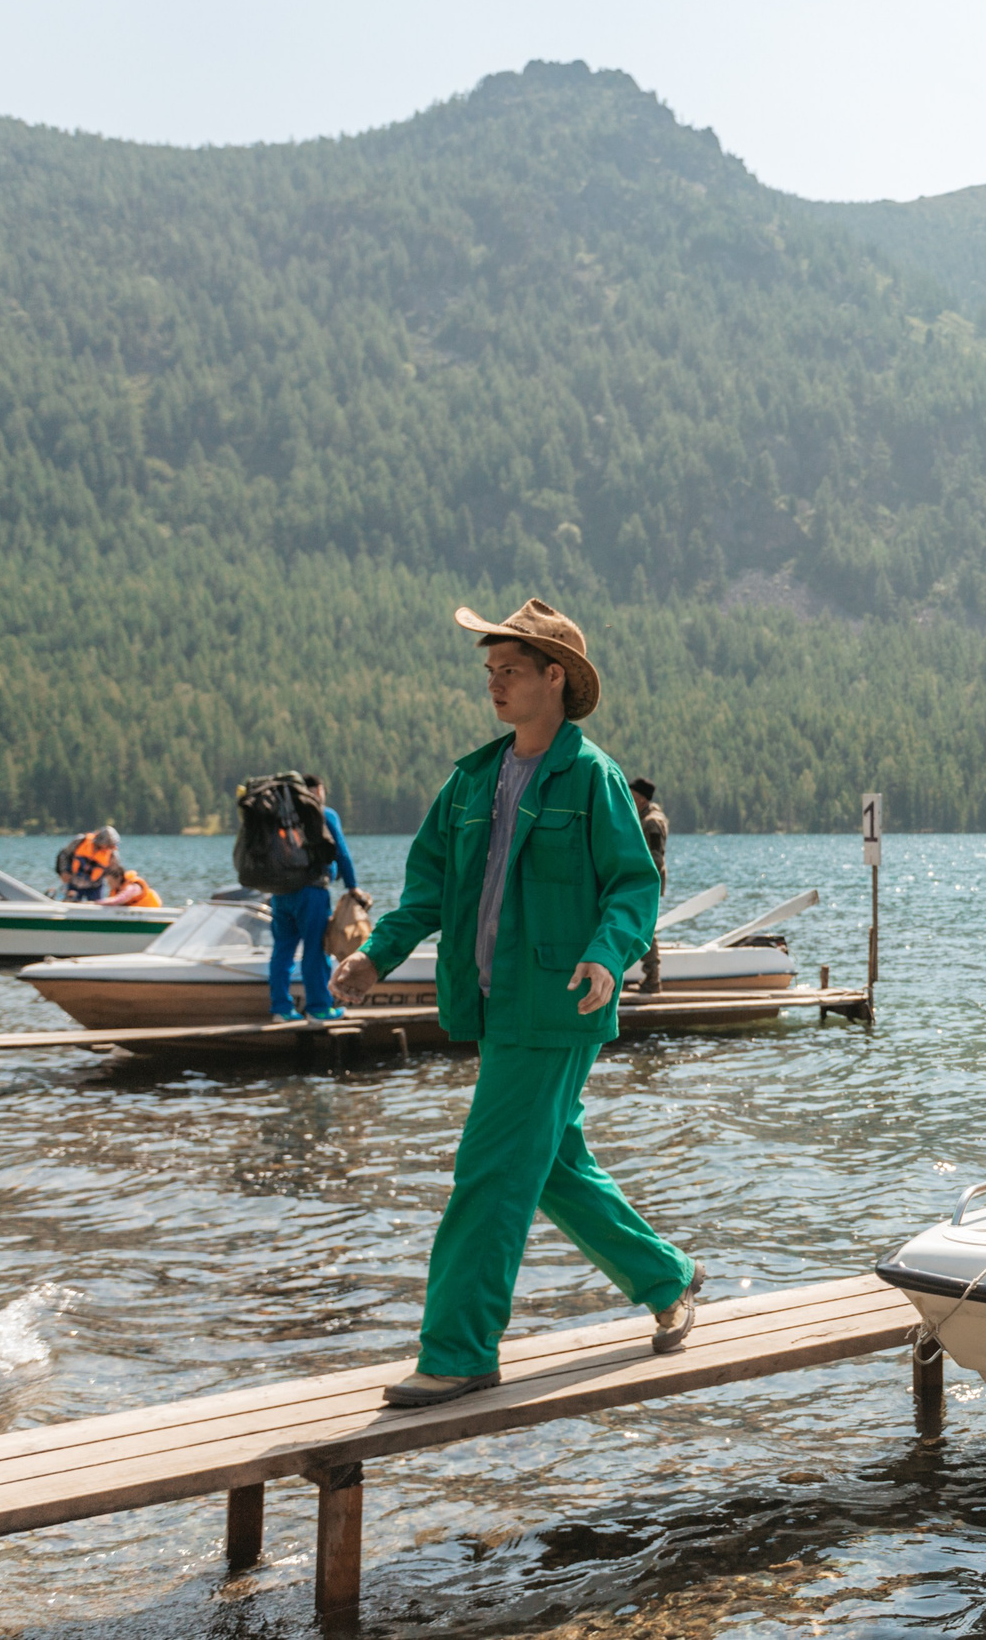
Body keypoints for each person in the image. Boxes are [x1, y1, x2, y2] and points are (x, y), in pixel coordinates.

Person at [330, 598, 699, 1407]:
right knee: (554, 1165)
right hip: (494, 1007)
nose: (492, 684)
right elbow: (425, 890)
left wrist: (608, 955)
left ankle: (459, 1350)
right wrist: (374, 957)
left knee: (491, 1169)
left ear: (554, 678)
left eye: (509, 670)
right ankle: (667, 1277)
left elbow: (633, 886)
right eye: (488, 671)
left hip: (558, 1005)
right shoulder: (469, 781)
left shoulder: (592, 777)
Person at [269, 776, 358, 1023]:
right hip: (312, 892)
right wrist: (353, 887)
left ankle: (281, 1009)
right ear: (318, 790)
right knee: (315, 950)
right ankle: (318, 1009)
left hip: (280, 892)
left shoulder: (279, 818)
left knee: (282, 951)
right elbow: (342, 852)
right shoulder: (323, 814)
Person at [630, 777, 669, 993]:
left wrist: (644, 879)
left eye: (633, 797)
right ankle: (650, 976)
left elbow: (656, 856)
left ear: (642, 800)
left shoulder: (652, 822)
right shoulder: (646, 818)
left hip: (648, 880)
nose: (629, 800)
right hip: (645, 879)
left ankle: (653, 978)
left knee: (647, 927)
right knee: (644, 925)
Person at [56, 826, 119, 901]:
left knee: (96, 907)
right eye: (108, 844)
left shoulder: (112, 855)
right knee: (69, 903)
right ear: (101, 840)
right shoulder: (80, 841)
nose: (110, 848)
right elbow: (63, 855)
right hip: (73, 882)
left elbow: (115, 873)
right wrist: (63, 871)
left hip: (95, 886)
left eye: (111, 845)